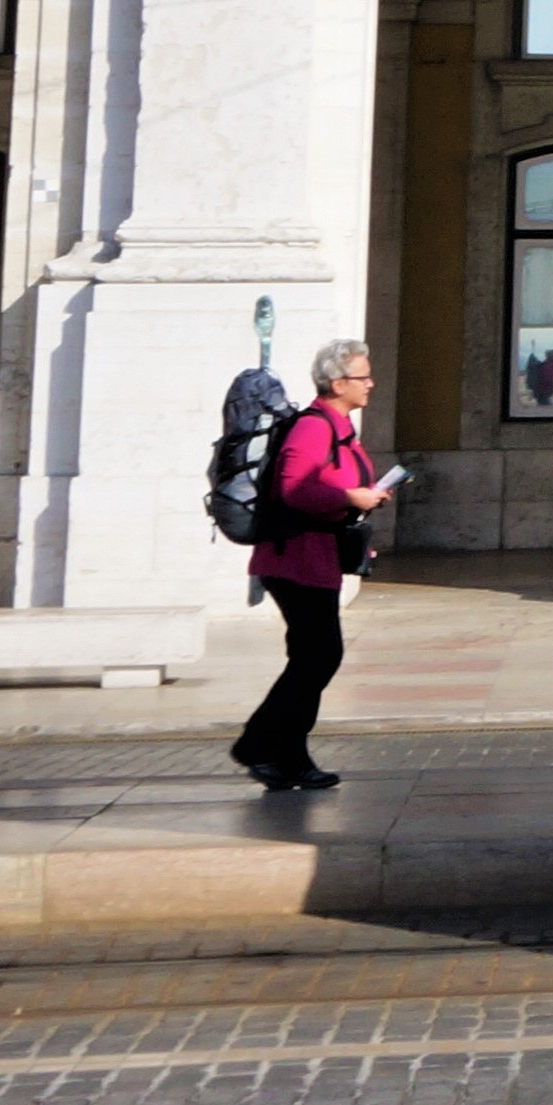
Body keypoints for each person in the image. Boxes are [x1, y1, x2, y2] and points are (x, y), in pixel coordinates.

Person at [230, 339, 394, 794]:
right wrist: (349, 497)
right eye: (363, 377)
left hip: (315, 557)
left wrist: (366, 496)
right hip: (294, 559)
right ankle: (260, 746)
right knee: (318, 657)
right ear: (338, 382)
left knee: (313, 658)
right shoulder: (313, 428)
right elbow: (293, 489)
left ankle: (284, 756)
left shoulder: (339, 427)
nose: (371, 384)